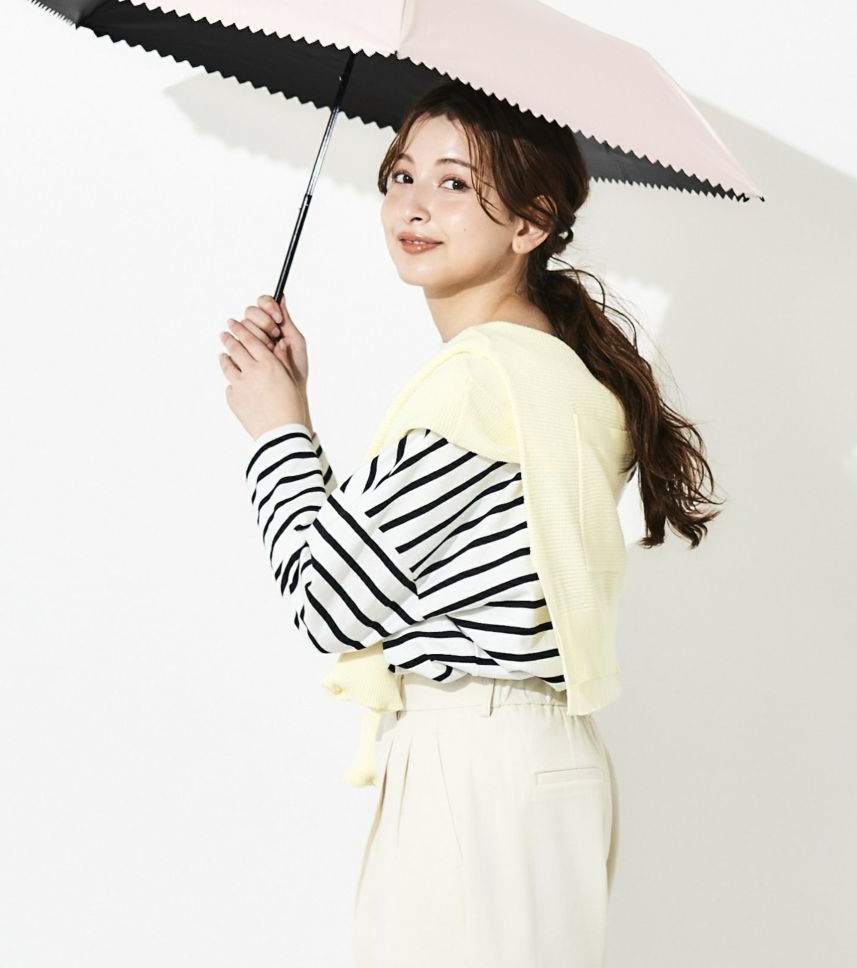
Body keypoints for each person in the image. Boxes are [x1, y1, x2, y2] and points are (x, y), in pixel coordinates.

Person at [219, 81, 725, 968]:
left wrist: (277, 430)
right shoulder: (556, 373)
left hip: (474, 762)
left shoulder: (479, 382)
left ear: (532, 222)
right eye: (402, 174)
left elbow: (332, 604)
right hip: (542, 760)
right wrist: (293, 408)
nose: (414, 206)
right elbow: (390, 570)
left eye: (455, 183)